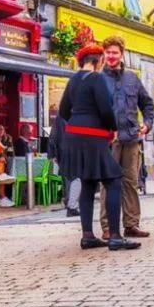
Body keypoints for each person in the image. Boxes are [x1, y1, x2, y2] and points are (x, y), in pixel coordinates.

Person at [58, 44, 140, 251]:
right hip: (93, 136)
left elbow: (63, 110)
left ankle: (87, 236)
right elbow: (105, 108)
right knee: (113, 180)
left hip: (73, 136)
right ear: (98, 61)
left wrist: (78, 123)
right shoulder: (96, 78)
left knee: (87, 182)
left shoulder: (73, 80)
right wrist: (112, 128)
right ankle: (114, 236)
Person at [98, 36, 154, 240]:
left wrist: (146, 124)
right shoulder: (98, 79)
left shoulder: (132, 78)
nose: (111, 56)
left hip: (131, 138)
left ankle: (131, 224)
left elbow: (148, 104)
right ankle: (107, 227)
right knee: (108, 183)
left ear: (122, 54)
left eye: (115, 52)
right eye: (108, 52)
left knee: (130, 182)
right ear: (104, 54)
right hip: (108, 140)